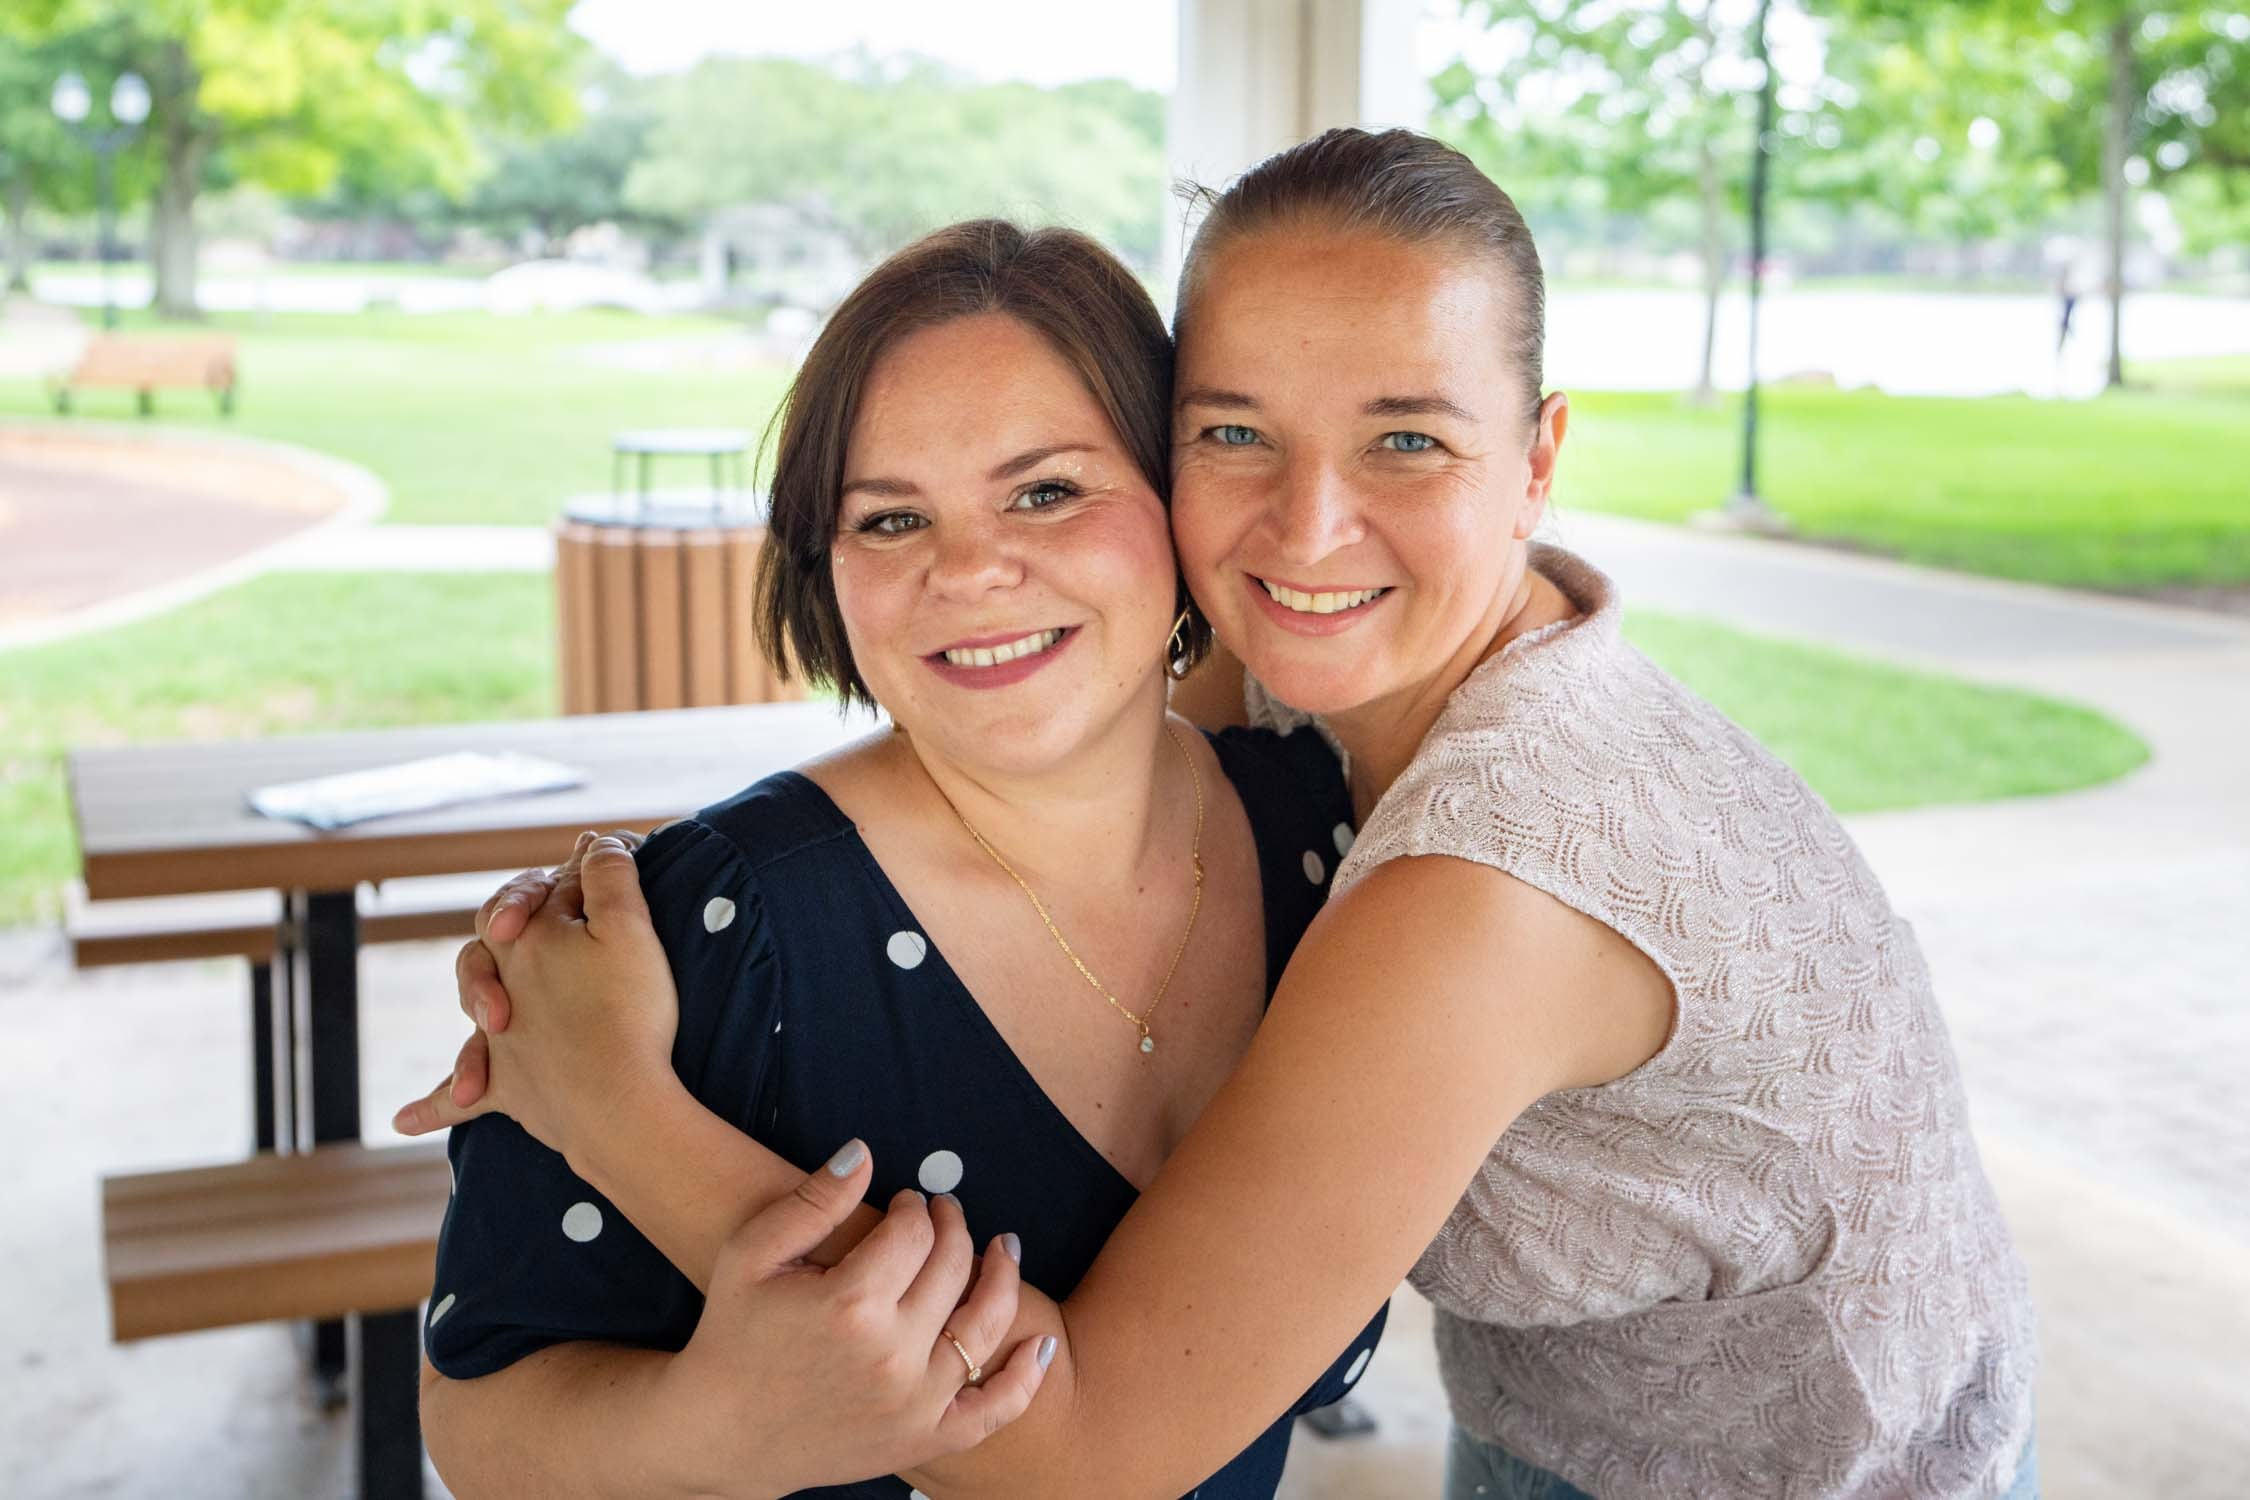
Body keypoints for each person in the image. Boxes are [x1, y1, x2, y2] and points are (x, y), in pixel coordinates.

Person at [407, 129, 2037, 1499]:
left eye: (1406, 438)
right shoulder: (1290, 723)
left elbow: (1095, 1447)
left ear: (1537, 460)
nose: (1309, 529)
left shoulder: (1449, 873)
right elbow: (486, 1402)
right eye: (1237, 434)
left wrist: (611, 1103)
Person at [408, 218, 1385, 1500]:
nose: (970, 567)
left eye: (1046, 490)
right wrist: (712, 1429)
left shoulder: (1320, 834)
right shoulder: (707, 933)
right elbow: (480, 1411)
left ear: (1183, 503)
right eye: (889, 518)